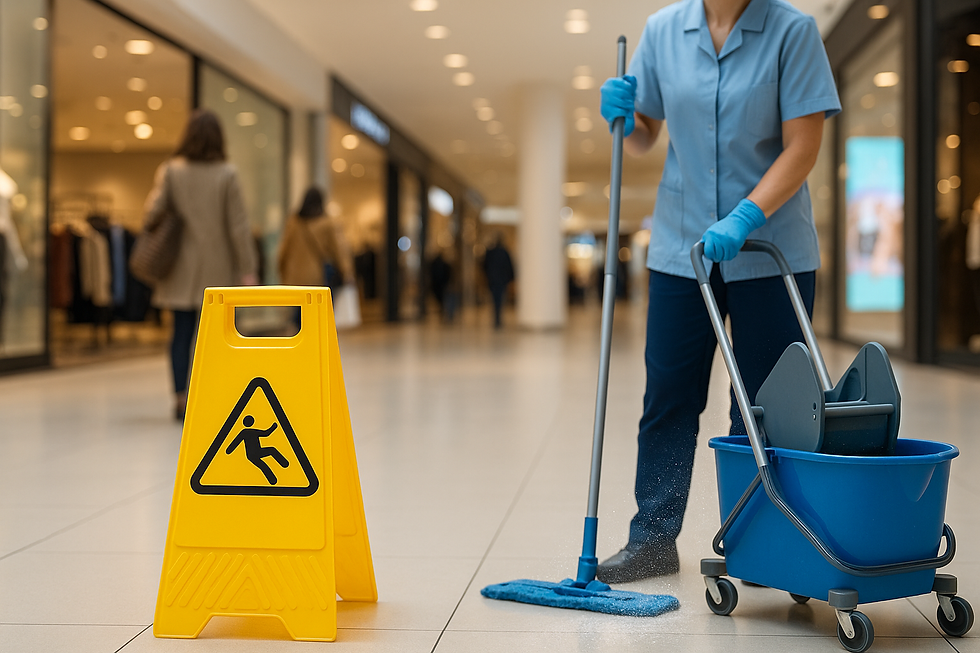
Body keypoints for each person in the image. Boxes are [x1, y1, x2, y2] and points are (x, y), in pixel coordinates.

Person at [595, 0, 840, 583]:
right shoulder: (662, 31)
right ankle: (652, 538)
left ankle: (756, 540)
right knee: (670, 397)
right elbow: (646, 136)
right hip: (683, 247)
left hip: (771, 246)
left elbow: (803, 145)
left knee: (761, 405)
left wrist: (746, 216)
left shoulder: (792, 31)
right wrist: (625, 121)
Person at [143, 109, 258, 421]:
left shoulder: (170, 171)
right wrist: (247, 268)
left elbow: (152, 211)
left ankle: (181, 397)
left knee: (180, 334)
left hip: (179, 267)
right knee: (215, 336)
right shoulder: (227, 174)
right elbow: (238, 227)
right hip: (217, 270)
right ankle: (212, 395)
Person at [277, 187, 355, 316]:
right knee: (317, 314)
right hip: (317, 276)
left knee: (298, 314)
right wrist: (347, 271)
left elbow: (283, 251)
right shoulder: (327, 223)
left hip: (296, 277)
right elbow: (338, 250)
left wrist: (282, 272)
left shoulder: (293, 222)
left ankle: (300, 334)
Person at [482, 235, 514, 329]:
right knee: (499, 299)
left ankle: (497, 318)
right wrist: (510, 278)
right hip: (500, 280)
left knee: (496, 299)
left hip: (493, 279)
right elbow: (509, 266)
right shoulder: (504, 252)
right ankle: (497, 318)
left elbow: (484, 266)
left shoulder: (490, 252)